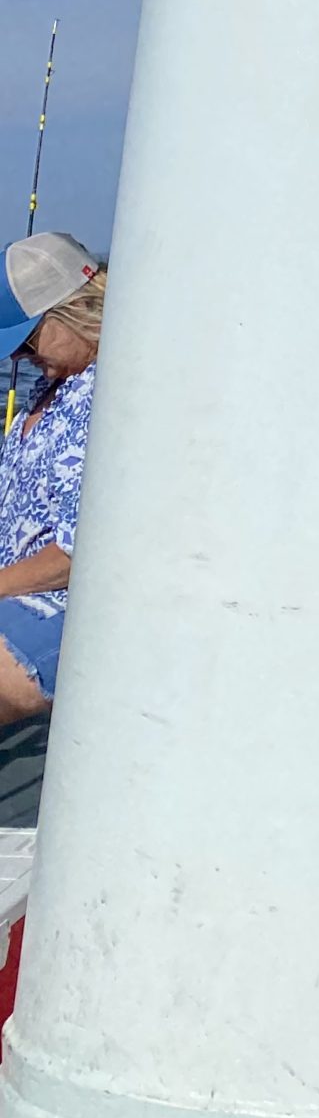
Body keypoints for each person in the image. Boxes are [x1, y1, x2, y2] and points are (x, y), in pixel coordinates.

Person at [0, 235, 107, 817]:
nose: (19, 358)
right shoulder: (52, 383)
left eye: (29, 340)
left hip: (58, 608)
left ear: (74, 312)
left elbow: (77, 551)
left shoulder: (114, 396)